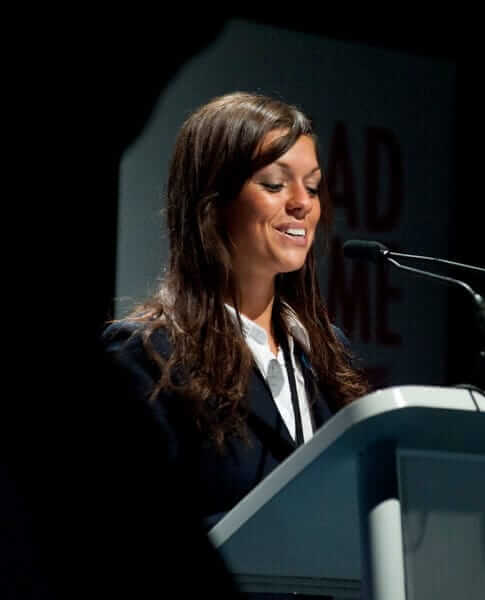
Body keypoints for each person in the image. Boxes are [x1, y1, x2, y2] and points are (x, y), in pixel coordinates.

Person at [103, 92, 369, 531]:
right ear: (213, 202)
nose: (302, 202)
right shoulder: (146, 356)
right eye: (275, 184)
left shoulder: (325, 351)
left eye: (313, 186)